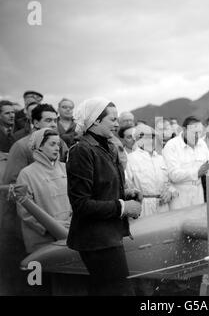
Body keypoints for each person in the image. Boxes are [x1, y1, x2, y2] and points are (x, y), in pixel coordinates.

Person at [66, 97, 142, 296]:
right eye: (113, 119)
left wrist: (125, 193)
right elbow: (81, 204)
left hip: (109, 234)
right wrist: (123, 207)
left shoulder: (108, 147)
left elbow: (101, 189)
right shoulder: (81, 151)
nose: (117, 124)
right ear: (96, 121)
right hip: (95, 239)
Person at [16, 128, 72, 253]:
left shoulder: (66, 169)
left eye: (58, 144)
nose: (57, 148)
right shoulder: (27, 174)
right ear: (39, 146)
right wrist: (51, 226)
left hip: (69, 234)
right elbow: (24, 210)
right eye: (52, 144)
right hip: (42, 240)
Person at [163, 116, 209, 210]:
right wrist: (198, 172)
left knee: (198, 222)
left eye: (200, 132)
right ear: (184, 130)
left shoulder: (202, 144)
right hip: (179, 196)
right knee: (179, 223)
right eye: (194, 133)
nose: (197, 136)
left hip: (198, 194)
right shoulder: (171, 146)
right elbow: (173, 174)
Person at [3, 104, 69, 184]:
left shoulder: (61, 143)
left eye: (55, 121)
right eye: (48, 120)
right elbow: (12, 181)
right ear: (36, 123)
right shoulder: (21, 146)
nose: (53, 124)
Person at [126, 124, 178, 217]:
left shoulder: (161, 159)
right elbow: (126, 186)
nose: (150, 140)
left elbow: (171, 183)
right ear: (137, 139)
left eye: (152, 136)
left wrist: (169, 192)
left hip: (163, 207)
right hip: (142, 208)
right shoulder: (130, 160)